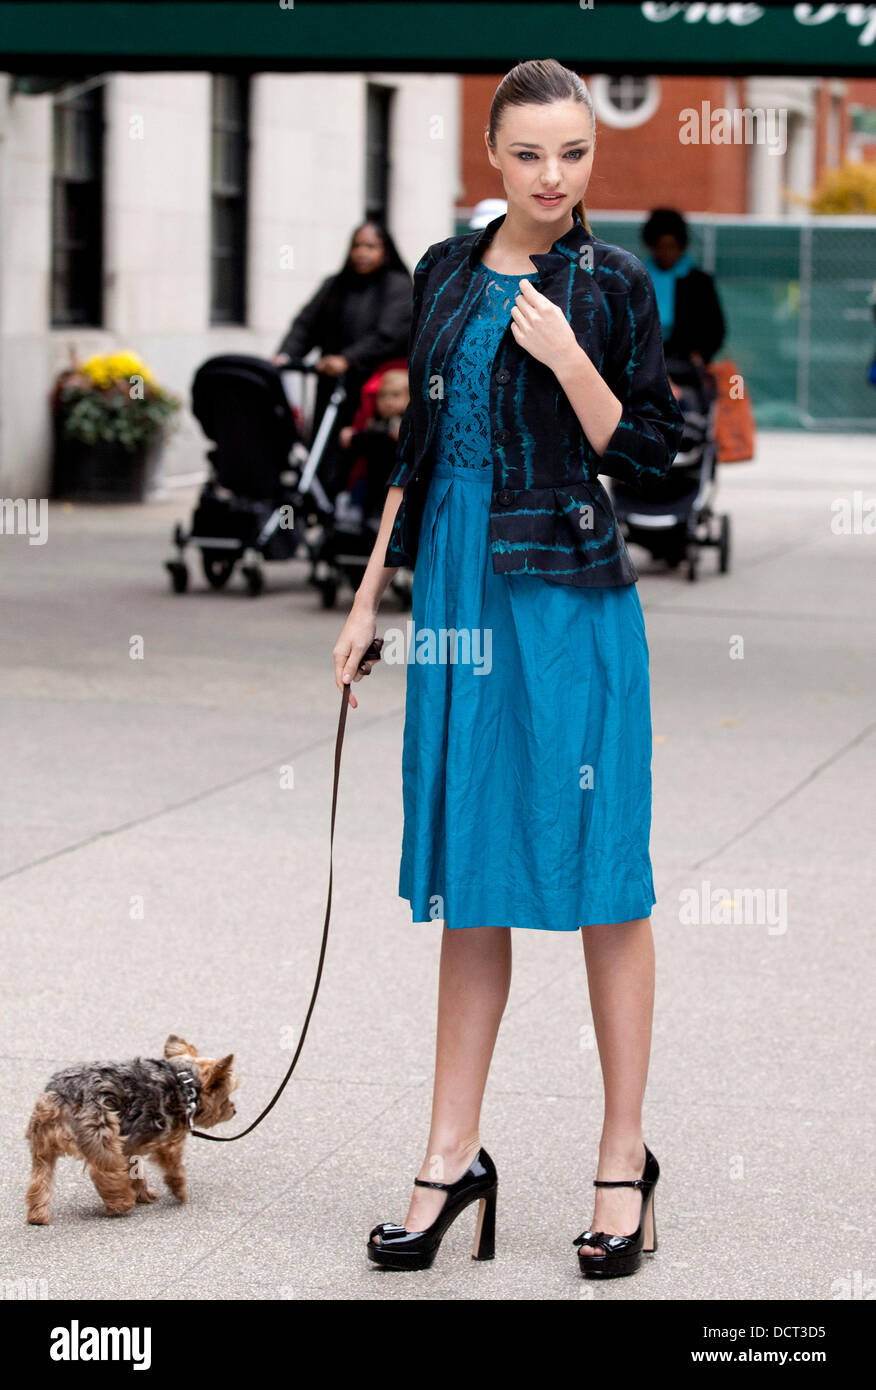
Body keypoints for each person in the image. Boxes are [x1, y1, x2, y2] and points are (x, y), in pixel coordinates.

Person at [333, 58, 685, 1280]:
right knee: (471, 869)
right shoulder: (437, 272)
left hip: (570, 602)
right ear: (493, 152)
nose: (553, 178)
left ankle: (622, 1160)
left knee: (603, 877)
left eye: (575, 154)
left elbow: (657, 463)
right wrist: (373, 591)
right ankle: (451, 1156)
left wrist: (568, 360)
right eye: (530, 154)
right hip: (458, 595)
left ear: (594, 155)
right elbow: (419, 455)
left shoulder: (613, 286)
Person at [272, 222, 412, 493]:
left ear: (384, 251)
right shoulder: (335, 285)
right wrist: (286, 354)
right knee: (325, 447)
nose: (362, 253)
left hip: (376, 391)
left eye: (370, 246)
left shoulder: (398, 287)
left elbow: (389, 333)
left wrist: (348, 359)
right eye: (357, 246)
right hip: (333, 383)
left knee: (362, 450)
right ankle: (324, 505)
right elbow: (306, 324)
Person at [641, 207, 726, 367]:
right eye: (661, 247)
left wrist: (702, 355)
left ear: (681, 247)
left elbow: (716, 328)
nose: (666, 253)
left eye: (671, 246)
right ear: (652, 247)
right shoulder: (637, 279)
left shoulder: (699, 283)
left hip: (685, 367)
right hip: (646, 364)